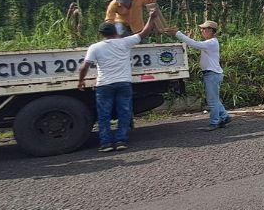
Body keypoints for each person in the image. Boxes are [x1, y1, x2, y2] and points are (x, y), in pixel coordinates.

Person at [78, 10, 157, 152]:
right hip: (123, 83)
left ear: (101, 34)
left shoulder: (95, 47)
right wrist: (151, 18)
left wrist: (81, 81)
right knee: (124, 113)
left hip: (104, 85)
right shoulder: (124, 42)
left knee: (104, 115)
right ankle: (121, 141)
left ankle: (106, 144)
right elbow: (144, 32)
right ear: (115, 32)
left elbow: (84, 66)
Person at [164, 20, 230, 131]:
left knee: (212, 101)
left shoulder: (211, 43)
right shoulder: (210, 42)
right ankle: (224, 117)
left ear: (211, 30)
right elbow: (195, 44)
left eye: (204, 29)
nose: (202, 31)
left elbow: (195, 44)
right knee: (214, 99)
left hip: (212, 74)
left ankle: (214, 122)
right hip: (212, 74)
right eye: (202, 29)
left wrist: (177, 33)